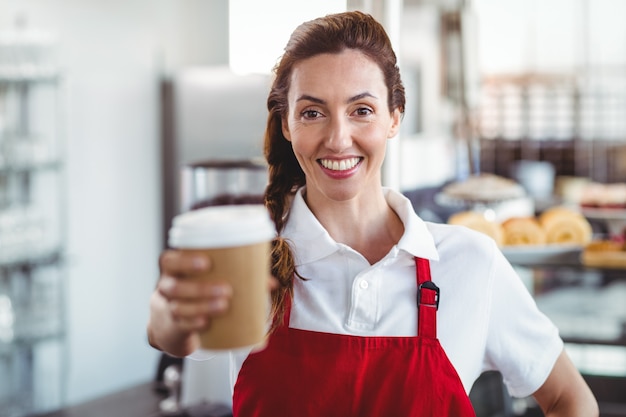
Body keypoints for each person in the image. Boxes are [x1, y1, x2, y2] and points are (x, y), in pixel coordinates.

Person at [147, 11, 598, 416]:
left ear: (394, 117)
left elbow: (569, 399)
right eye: (312, 113)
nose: (339, 139)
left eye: (361, 110)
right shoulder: (253, 257)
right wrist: (171, 308)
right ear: (287, 125)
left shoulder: (468, 261)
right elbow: (170, 335)